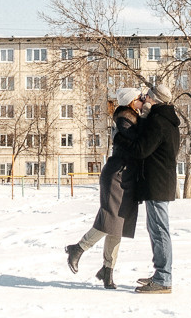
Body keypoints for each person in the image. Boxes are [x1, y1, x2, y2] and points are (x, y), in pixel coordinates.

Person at [64, 87, 145, 289]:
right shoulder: (125, 120)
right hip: (116, 175)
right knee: (110, 219)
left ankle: (107, 270)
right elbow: (136, 145)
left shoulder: (133, 118)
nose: (143, 100)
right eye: (139, 98)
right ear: (131, 101)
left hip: (125, 176)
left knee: (117, 224)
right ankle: (78, 248)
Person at [132, 83, 179, 294]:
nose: (144, 100)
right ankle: (161, 274)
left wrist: (142, 120)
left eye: (147, 97)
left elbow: (142, 149)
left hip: (157, 183)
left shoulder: (158, 122)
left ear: (154, 100)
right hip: (160, 182)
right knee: (157, 229)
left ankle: (163, 278)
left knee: (160, 230)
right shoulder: (168, 121)